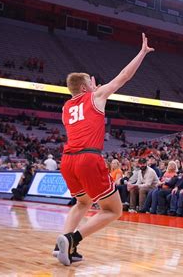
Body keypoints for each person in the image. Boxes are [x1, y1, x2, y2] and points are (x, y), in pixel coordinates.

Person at [55, 33, 154, 266]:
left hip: (67, 160)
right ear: (84, 86)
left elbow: (85, 112)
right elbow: (124, 76)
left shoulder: (66, 107)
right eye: (90, 82)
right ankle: (73, 239)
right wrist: (141, 53)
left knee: (83, 202)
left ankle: (60, 246)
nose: (94, 84)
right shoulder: (96, 96)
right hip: (88, 158)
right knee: (113, 210)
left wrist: (94, 93)